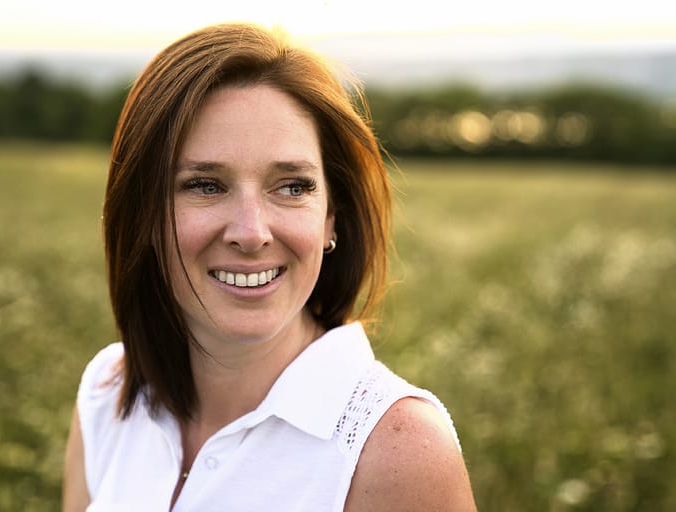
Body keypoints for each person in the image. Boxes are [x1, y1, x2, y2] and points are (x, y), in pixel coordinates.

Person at [63, 22, 476, 511]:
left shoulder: (397, 449)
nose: (252, 232)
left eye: (292, 186)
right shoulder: (105, 392)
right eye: (205, 185)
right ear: (144, 214)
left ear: (330, 218)